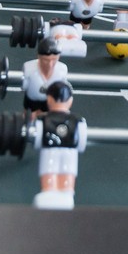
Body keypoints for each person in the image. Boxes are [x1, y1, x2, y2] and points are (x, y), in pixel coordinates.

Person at [32, 80, 87, 210]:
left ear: (49, 100)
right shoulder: (78, 120)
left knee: (49, 170)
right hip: (70, 152)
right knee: (68, 172)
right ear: (70, 101)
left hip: (49, 151)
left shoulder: (42, 119)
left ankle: (49, 191)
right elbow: (81, 142)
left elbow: (37, 138)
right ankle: (66, 192)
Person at [21, 38, 69, 120]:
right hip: (32, 100)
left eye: (54, 60)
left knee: (48, 120)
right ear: (39, 56)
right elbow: (23, 87)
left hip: (50, 101)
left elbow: (63, 88)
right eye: (46, 60)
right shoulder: (28, 68)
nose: (50, 64)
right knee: (29, 118)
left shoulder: (62, 69)